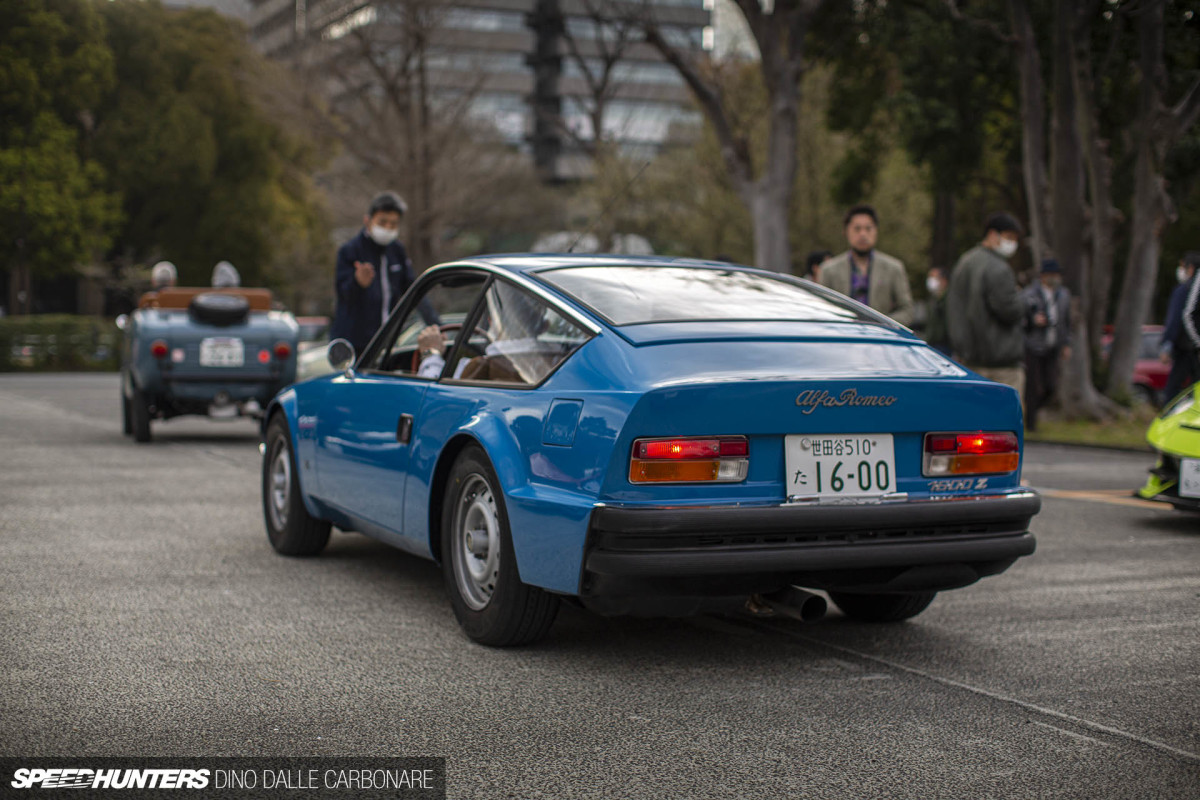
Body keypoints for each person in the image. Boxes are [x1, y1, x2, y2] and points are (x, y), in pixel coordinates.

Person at [946, 212, 1026, 402]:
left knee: (970, 423)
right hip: (1001, 364)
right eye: (1009, 237)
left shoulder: (964, 262)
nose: (1012, 244)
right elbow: (1009, 310)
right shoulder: (998, 268)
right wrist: (1022, 298)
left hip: (966, 361)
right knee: (1004, 423)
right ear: (992, 235)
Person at [330, 191, 417, 355]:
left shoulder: (397, 250)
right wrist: (357, 283)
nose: (388, 228)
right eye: (383, 222)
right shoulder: (350, 251)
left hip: (388, 341)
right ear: (368, 221)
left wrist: (434, 322)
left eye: (393, 224)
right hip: (354, 343)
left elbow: (412, 289)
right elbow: (343, 294)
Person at [819, 205, 914, 326]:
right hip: (842, 338)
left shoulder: (893, 268)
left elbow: (907, 310)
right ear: (846, 232)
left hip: (881, 338)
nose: (863, 234)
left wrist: (883, 324)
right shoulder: (829, 270)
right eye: (857, 229)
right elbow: (820, 308)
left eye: (868, 229)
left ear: (876, 231)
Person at [1022, 259, 1071, 431]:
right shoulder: (1029, 294)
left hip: (1053, 345)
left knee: (1051, 385)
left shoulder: (1063, 295)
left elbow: (1066, 321)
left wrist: (1066, 343)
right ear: (1043, 276)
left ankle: (1034, 410)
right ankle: (1031, 423)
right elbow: (1020, 319)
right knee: (1033, 386)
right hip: (1033, 345)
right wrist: (1033, 321)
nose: (1055, 278)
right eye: (1052, 275)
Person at [1160, 251, 1200, 400]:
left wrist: (1166, 345)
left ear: (1190, 268)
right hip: (1191, 346)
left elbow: (1176, 319)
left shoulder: (1184, 290)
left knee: (1174, 386)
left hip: (1186, 347)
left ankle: (1167, 417)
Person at [924, 266, 951, 356]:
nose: (931, 281)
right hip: (933, 344)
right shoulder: (933, 299)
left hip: (946, 345)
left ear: (943, 280)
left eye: (934, 277)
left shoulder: (949, 299)